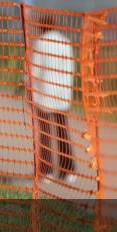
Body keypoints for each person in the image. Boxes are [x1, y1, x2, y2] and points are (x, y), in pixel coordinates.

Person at [29, 15, 76, 184]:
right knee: (63, 132)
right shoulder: (65, 42)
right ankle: (68, 170)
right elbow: (71, 68)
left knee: (45, 134)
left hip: (44, 94)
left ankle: (46, 171)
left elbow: (34, 70)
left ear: (42, 26)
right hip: (63, 94)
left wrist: (27, 86)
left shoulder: (41, 43)